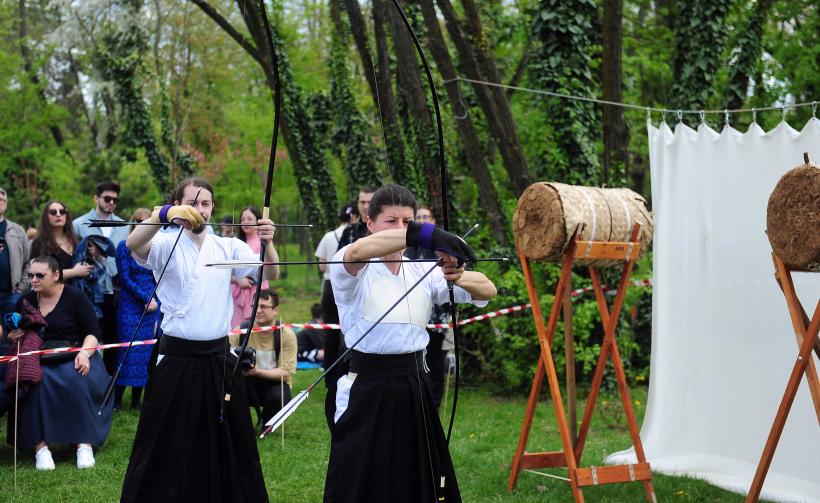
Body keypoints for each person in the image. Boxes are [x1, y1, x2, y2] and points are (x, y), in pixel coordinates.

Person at [325, 184, 496, 502]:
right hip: (365, 386)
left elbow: (487, 289)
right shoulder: (352, 268)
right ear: (370, 224)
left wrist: (456, 273)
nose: (401, 229)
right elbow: (358, 252)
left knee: (417, 475)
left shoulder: (422, 271)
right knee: (357, 477)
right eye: (392, 221)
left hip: (414, 384)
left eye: (407, 221)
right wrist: (426, 234)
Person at [121, 177, 278, 503]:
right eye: (191, 202)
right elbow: (133, 244)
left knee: (230, 443)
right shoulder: (164, 242)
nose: (199, 209)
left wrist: (269, 242)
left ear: (212, 209)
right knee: (166, 442)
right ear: (177, 204)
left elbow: (270, 272)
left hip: (219, 360)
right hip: (176, 359)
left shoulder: (227, 246)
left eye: (205, 203)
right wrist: (163, 214)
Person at [6, 255, 113, 470]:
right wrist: (12, 337)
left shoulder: (76, 298)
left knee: (76, 380)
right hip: (36, 359)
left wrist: (84, 353)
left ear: (56, 275)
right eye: (31, 275)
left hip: (75, 355)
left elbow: (93, 333)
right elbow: (13, 333)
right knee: (31, 384)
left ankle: (84, 443)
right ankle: (40, 448)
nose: (33, 280)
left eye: (39, 275)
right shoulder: (25, 299)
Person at [73, 181, 128, 377]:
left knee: (112, 341)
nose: (111, 202)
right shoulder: (79, 225)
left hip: (113, 291)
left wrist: (103, 257)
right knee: (87, 339)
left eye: (115, 200)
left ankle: (108, 388)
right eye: (107, 198)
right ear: (96, 199)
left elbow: (122, 263)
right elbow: (75, 258)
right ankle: (86, 381)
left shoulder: (123, 226)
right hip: (86, 292)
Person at [404, 205, 452, 409]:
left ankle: (434, 401)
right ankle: (418, 400)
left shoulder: (440, 247)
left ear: (433, 221)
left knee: (435, 360)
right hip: (414, 317)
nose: (422, 221)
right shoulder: (409, 249)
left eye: (426, 217)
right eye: (418, 218)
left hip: (437, 318)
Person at [230, 289, 296, 428]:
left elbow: (285, 372)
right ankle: (240, 425)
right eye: (255, 307)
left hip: (273, 382)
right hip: (245, 380)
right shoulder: (241, 331)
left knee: (280, 396)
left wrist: (257, 372)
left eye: (263, 307)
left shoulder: (286, 334)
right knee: (226, 389)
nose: (258, 311)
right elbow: (226, 358)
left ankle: (268, 425)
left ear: (275, 310)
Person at [113, 208, 158, 411]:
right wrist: (145, 298)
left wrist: (155, 300)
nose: (141, 223)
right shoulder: (124, 247)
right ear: (132, 223)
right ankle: (116, 400)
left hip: (154, 305)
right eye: (137, 220)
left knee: (145, 352)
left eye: (145, 220)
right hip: (130, 304)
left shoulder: (156, 248)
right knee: (127, 351)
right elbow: (124, 278)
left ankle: (136, 403)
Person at [30, 201, 94, 281]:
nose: (58, 214)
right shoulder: (39, 243)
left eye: (62, 212)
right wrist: (74, 272)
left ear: (66, 216)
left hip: (81, 291)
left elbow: (90, 266)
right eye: (53, 212)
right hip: (55, 292)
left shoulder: (78, 239)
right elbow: (38, 274)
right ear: (46, 217)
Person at [230, 206, 267, 328]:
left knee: (254, 328)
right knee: (236, 329)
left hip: (256, 292)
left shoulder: (263, 243)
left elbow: (266, 269)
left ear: (258, 221)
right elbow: (227, 269)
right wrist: (237, 280)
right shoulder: (234, 243)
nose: (245, 221)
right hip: (236, 293)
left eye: (250, 219)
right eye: (243, 219)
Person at [0, 186, 31, 314]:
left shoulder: (18, 231)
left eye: (2, 200)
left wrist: (20, 291)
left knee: (12, 332)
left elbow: (27, 264)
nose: (0, 202)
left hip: (11, 295)